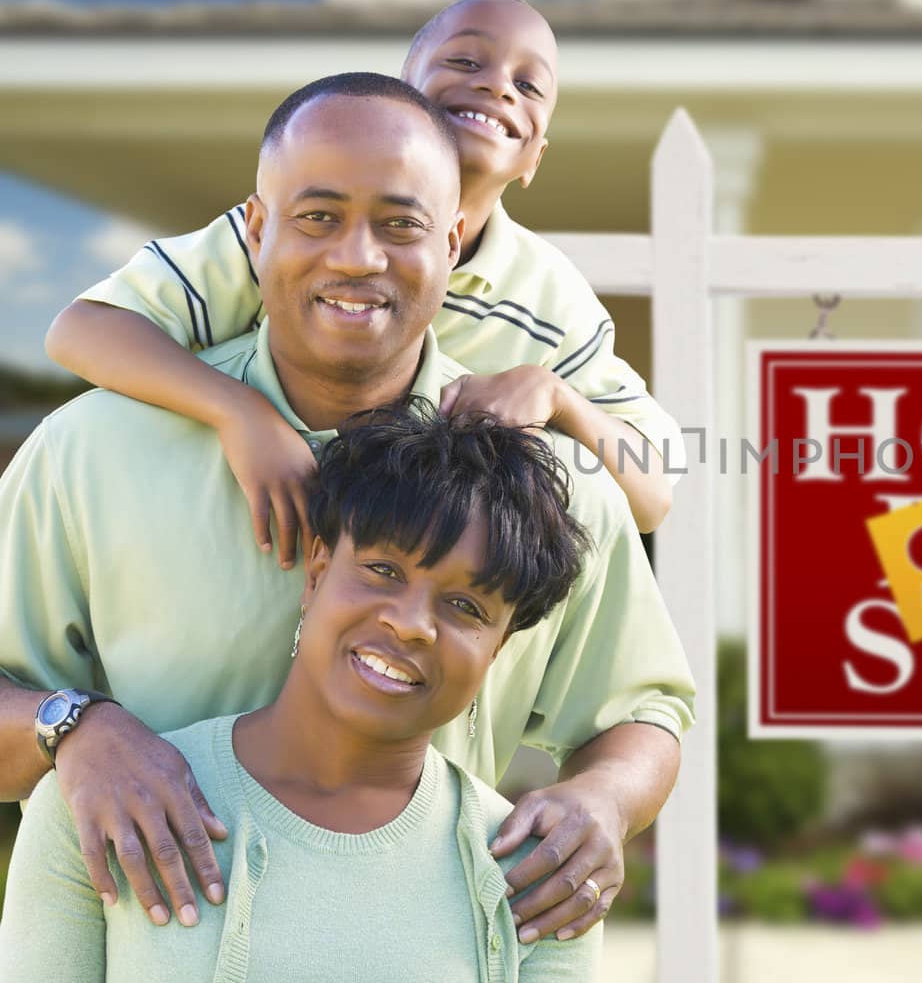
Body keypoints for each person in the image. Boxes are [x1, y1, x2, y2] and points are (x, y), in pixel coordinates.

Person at [0, 73, 692, 949]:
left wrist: (603, 800)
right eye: (318, 216)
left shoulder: (546, 486)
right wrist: (75, 730)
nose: (358, 257)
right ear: (258, 231)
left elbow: (643, 710)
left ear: (452, 241)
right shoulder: (90, 453)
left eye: (401, 225)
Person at [46, 0, 677, 546]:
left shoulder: (550, 298)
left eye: (529, 84)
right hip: (237, 530)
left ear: (536, 156)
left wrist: (558, 396)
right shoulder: (292, 235)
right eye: (464, 61)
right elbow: (82, 330)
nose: (497, 86)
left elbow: (653, 496)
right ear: (400, 95)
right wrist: (240, 413)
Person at [0, 406, 600, 982]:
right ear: (316, 574)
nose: (412, 623)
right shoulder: (103, 803)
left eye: (467, 606)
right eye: (385, 570)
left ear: (496, 651)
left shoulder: (540, 876)